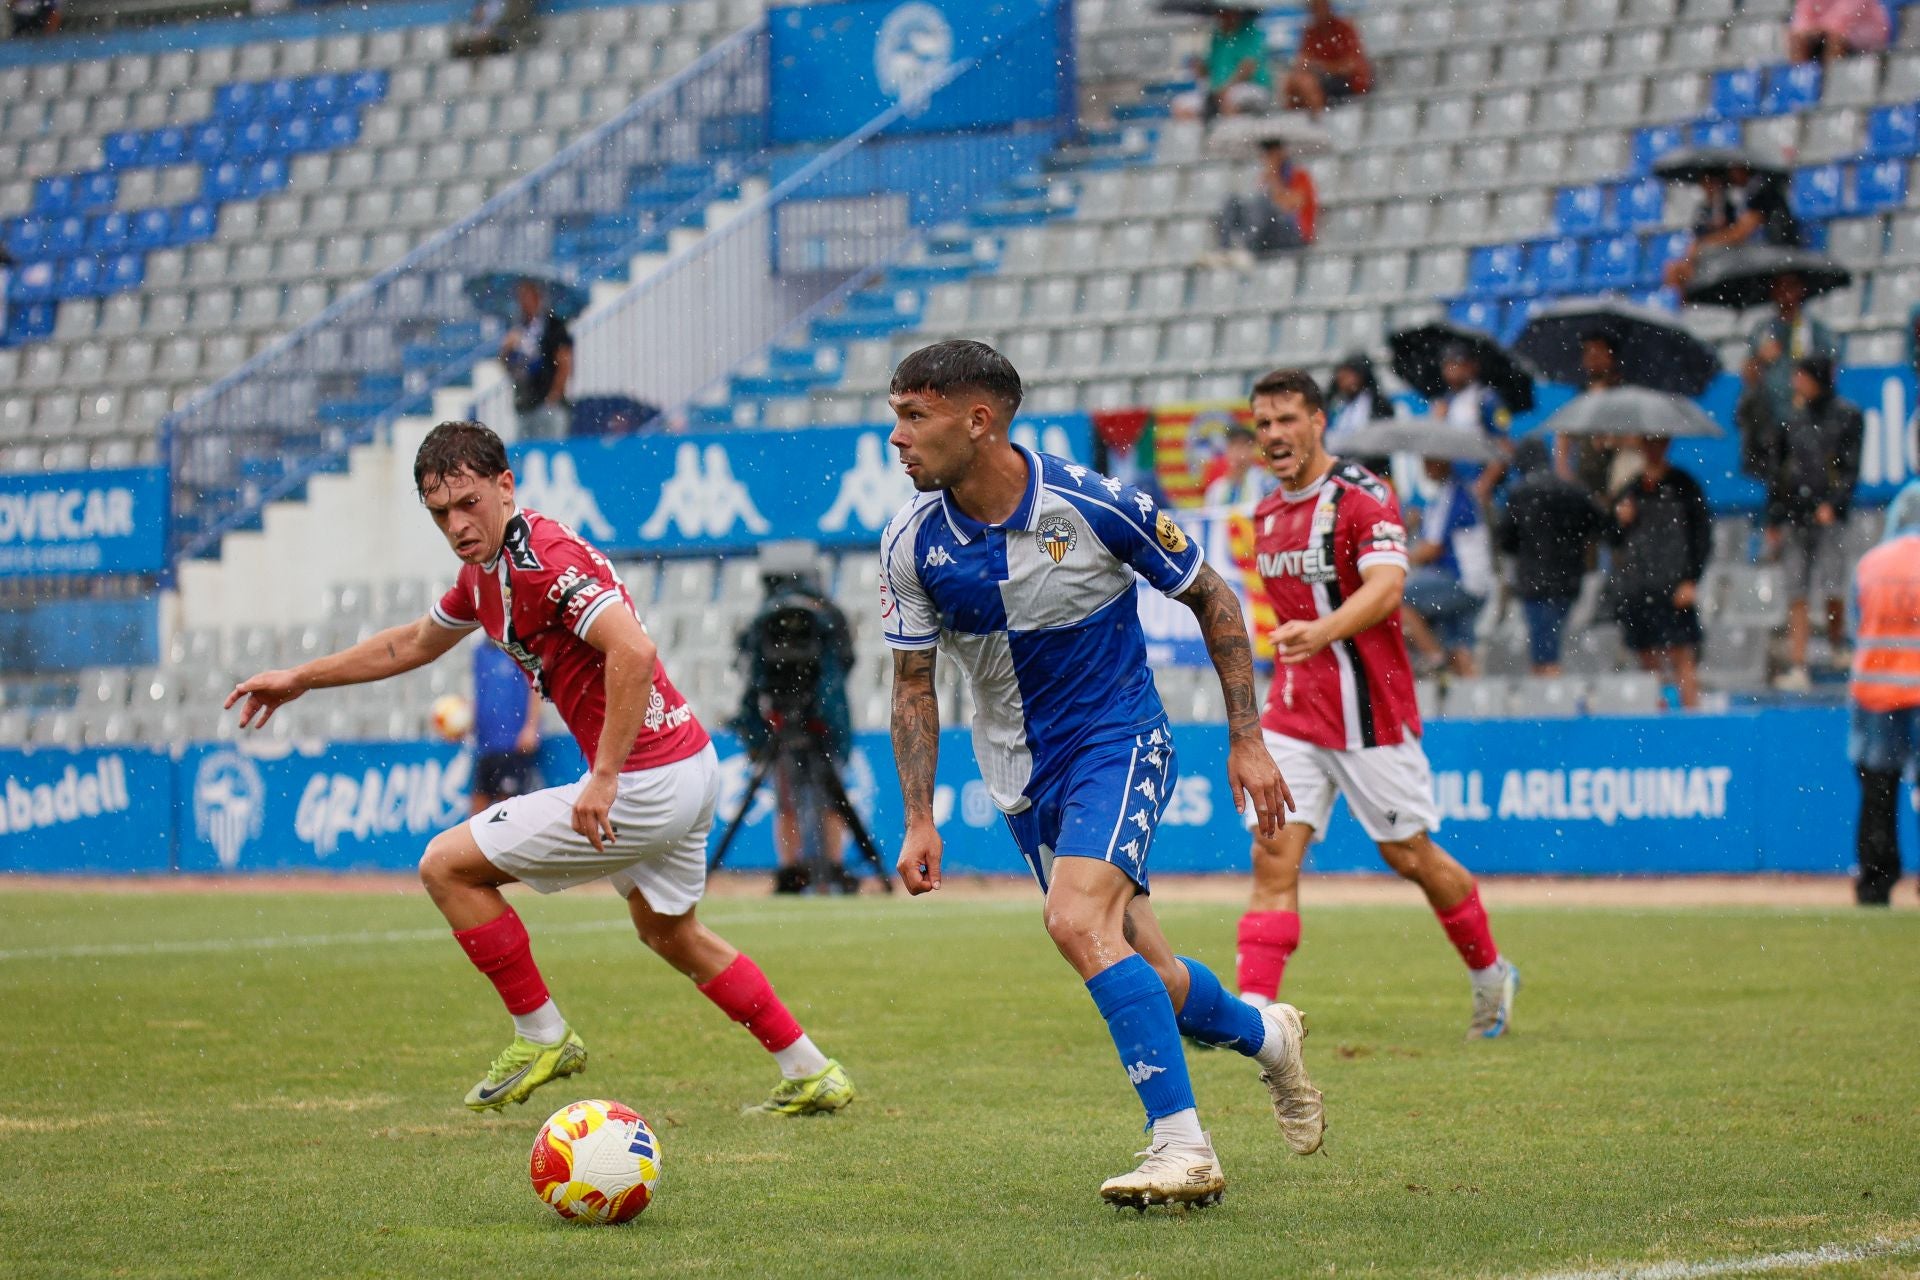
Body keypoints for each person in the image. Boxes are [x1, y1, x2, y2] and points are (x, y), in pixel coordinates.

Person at [225, 421, 854, 1117]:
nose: (457, 525)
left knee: (444, 867)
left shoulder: (542, 562)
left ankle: (542, 1034)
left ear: (505, 486)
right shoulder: (484, 573)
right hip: (686, 762)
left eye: (469, 504)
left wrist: (605, 777)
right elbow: (411, 643)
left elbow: (634, 652)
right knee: (670, 933)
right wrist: (301, 678)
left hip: (644, 780)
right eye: (440, 513)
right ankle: (810, 1069)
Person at [880, 340, 1322, 1210]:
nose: (897, 437)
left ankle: (1182, 1147)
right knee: (1151, 970)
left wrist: (1248, 737)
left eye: (914, 416)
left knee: (1075, 919)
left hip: (1118, 739)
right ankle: (1270, 1037)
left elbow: (1211, 595)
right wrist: (919, 816)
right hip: (1021, 775)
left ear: (979, 421)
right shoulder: (910, 541)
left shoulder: (1093, 504)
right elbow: (912, 685)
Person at [1235, 368, 1519, 1037]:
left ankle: (1491, 974)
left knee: (1410, 856)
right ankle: (1253, 1016)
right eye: (1264, 423)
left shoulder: (1364, 496)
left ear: (1318, 422)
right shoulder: (1267, 513)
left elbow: (1388, 588)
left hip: (1369, 715)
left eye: (1287, 419)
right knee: (1273, 854)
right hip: (1293, 713)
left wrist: (1323, 631)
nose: (1274, 434)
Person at [730, 541, 860, 895]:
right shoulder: (825, 615)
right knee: (813, 798)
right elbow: (844, 664)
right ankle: (819, 868)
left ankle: (801, 869)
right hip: (811, 721)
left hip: (808, 721)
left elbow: (751, 674)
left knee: (802, 799)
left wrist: (755, 730)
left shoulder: (771, 618)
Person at [1760, 356, 1864, 692]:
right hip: (1796, 515)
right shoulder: (1791, 420)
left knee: (1833, 585)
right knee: (1797, 592)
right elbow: (1778, 473)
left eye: (1801, 376)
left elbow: (1850, 469)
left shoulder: (1846, 416)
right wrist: (1774, 516)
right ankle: (1798, 663)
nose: (1796, 383)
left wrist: (1834, 504)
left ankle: (1837, 645)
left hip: (1827, 515)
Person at [1846, 480, 1920, 905]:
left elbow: (1855, 626)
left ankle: (1875, 881)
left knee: (1878, 788)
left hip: (1876, 692)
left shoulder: (1871, 563)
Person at [1607, 435, 1712, 710]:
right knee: (1647, 659)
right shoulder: (1630, 489)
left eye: (1658, 443)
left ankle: (1691, 716)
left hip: (1674, 584)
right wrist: (1621, 521)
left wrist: (1691, 579)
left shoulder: (1684, 485)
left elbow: (1702, 537)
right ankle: (1656, 717)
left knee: (1682, 656)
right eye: (1648, 443)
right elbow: (1613, 538)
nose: (1653, 449)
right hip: (1639, 586)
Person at [1494, 438, 1609, 676]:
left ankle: (1549, 693)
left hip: (1534, 582)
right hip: (1569, 579)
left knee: (1544, 651)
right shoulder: (1572, 489)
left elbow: (1505, 539)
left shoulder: (1520, 493)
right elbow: (1600, 524)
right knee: (1559, 643)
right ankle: (1555, 688)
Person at [1737, 272, 1839, 474]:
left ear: (1802, 290)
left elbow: (1830, 373)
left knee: (1807, 471)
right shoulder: (1763, 330)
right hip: (1771, 417)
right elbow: (1748, 376)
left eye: (1791, 286)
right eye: (1780, 287)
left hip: (1806, 417)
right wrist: (1760, 358)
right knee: (1776, 475)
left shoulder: (1815, 329)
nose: (1786, 293)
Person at [1401, 456, 1492, 677]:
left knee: (1397, 598)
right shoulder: (1458, 492)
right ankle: (1470, 693)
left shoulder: (1450, 496)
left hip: (1459, 581)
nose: (1424, 466)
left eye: (1429, 461)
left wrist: (1397, 559)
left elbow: (1432, 548)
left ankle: (1435, 659)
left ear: (1442, 462)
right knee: (1460, 648)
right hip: (1477, 584)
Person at [1663, 164, 1802, 291]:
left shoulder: (1761, 189)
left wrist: (1702, 245)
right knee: (1679, 270)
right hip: (1750, 257)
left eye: (1711, 182)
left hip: (1775, 253)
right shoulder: (1711, 208)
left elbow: (1740, 233)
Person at [1209, 140, 1316, 266]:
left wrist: (1274, 179)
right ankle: (1224, 249)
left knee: (1262, 202)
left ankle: (1247, 249)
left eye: (1271, 153)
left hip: (1294, 235)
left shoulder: (1299, 175)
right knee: (1232, 200)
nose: (1268, 158)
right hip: (1268, 235)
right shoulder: (1264, 177)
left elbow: (1288, 207)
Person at [471, 640, 543, 815]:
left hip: (513, 743)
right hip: (486, 745)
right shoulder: (480, 651)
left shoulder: (518, 645)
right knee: (477, 809)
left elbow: (535, 687)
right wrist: (466, 723)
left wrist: (531, 727)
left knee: (508, 810)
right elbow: (480, 692)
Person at [501, 278, 573, 442]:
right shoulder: (517, 328)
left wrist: (554, 396)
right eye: (521, 298)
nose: (524, 302)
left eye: (528, 296)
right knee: (525, 451)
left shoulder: (553, 326)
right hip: (525, 402)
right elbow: (508, 366)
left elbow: (564, 362)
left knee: (551, 448)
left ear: (538, 298)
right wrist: (506, 349)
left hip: (548, 402)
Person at [1171, 10, 1273, 120]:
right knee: (1181, 105)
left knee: (1231, 98)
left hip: (1251, 87)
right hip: (1217, 91)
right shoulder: (1217, 36)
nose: (1221, 17)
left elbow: (1248, 66)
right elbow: (1207, 70)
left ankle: (1230, 130)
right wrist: (1198, 66)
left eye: (1226, 13)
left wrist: (1226, 87)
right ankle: (1199, 130)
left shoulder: (1251, 32)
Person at [1281, 0, 1373, 115]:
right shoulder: (1311, 32)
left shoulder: (1344, 28)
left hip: (1347, 82)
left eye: (1320, 5)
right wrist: (1311, 66)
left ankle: (1318, 118)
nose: (1318, 10)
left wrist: (1323, 67)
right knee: (1294, 83)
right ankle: (1309, 116)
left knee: (1305, 84)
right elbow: (1303, 60)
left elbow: (1351, 66)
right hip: (1324, 80)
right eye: (1314, 6)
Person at [1789, 0, 1891, 63]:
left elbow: (1841, 20)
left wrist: (1815, 29)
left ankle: (1831, 82)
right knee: (1796, 39)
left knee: (1835, 38)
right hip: (1828, 32)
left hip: (1863, 34)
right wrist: (1807, 31)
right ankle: (1802, 82)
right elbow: (1801, 21)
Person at [1202, 421, 1275, 509]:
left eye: (1245, 446)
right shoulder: (1216, 489)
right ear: (1227, 450)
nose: (1240, 453)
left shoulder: (1266, 483)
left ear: (1252, 450)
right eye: (1234, 446)